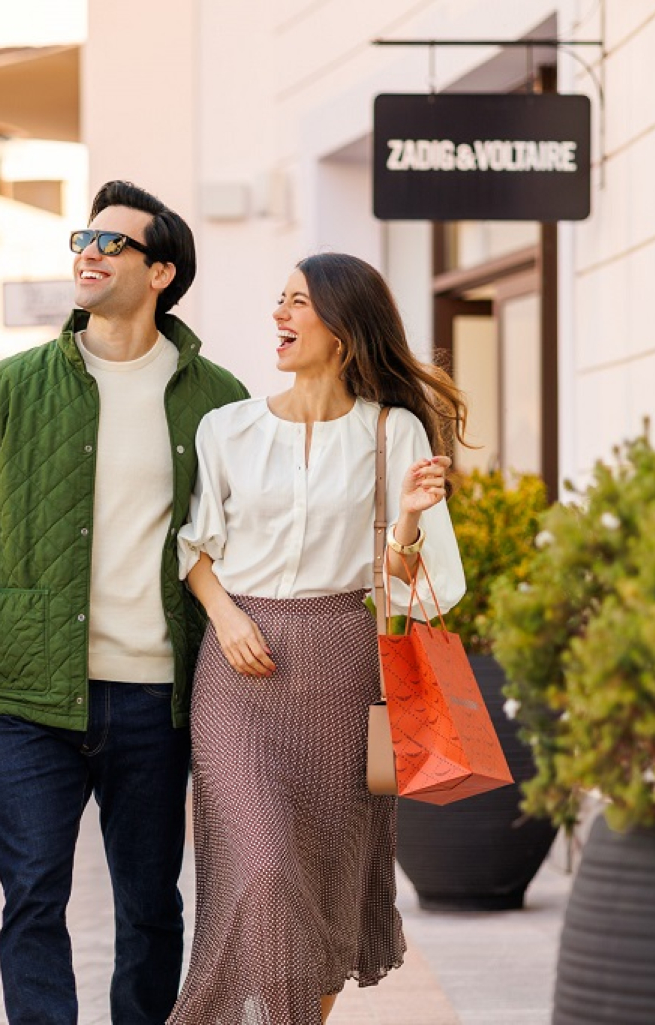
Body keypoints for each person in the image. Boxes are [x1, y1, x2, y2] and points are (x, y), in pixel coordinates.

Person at [0, 180, 247, 1025]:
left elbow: (249, 540)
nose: (87, 251)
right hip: (27, 693)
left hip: (160, 699)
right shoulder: (9, 389)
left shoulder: (219, 401)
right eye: (81, 237)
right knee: (32, 900)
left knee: (151, 908)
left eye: (110, 242)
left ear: (161, 272)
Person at [167, 252, 468, 1025]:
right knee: (261, 869)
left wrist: (404, 517)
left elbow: (416, 580)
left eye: (297, 302)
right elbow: (193, 546)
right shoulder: (225, 427)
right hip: (238, 673)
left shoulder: (392, 430)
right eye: (280, 300)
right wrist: (226, 615)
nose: (280, 315)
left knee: (326, 891)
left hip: (343, 664)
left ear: (342, 325)